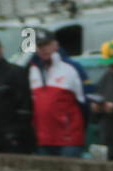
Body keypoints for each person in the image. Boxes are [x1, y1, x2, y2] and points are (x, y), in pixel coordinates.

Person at [29, 29, 85, 157]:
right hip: (43, 140)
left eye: (47, 44)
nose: (44, 49)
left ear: (56, 45)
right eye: (40, 46)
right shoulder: (31, 71)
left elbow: (83, 104)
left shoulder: (70, 69)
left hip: (68, 140)